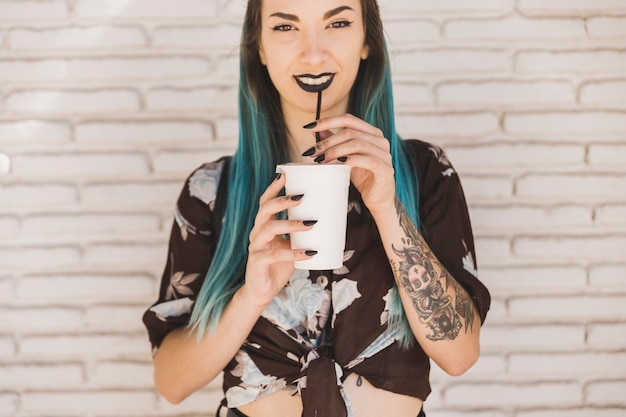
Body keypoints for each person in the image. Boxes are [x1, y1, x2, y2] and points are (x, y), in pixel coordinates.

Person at [142, 0, 491, 416]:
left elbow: (460, 354)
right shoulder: (211, 192)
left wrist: (386, 208)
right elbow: (172, 382)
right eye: (286, 28)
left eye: (338, 23)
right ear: (259, 48)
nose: (313, 53)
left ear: (367, 42)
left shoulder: (424, 172)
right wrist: (252, 295)